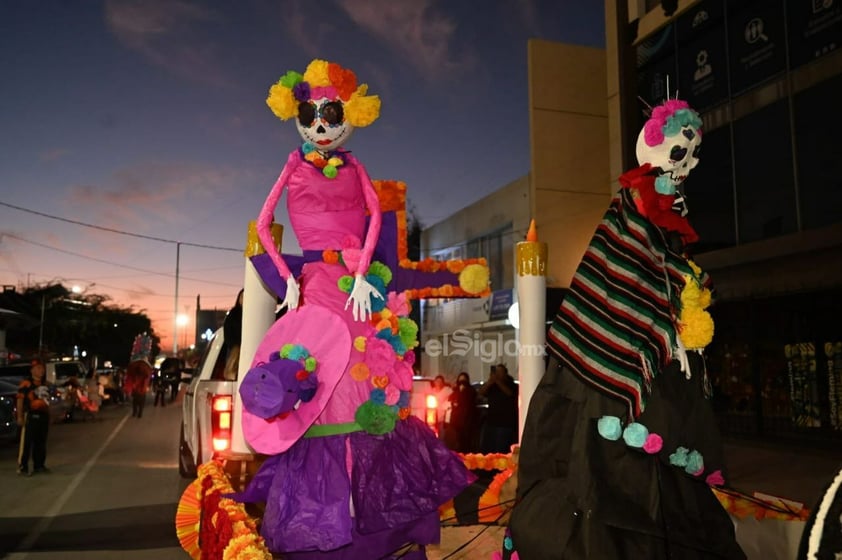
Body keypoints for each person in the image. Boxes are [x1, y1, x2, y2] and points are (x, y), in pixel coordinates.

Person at [231, 59, 473, 558]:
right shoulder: (293, 165)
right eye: (310, 112)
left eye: (330, 111)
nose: (320, 123)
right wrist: (290, 280)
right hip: (317, 287)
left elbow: (375, 217)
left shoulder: (357, 166)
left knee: (372, 379)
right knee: (324, 383)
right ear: (297, 113)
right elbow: (261, 223)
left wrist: (363, 272)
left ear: (349, 113)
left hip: (359, 292)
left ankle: (382, 528)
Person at [500, 99, 744, 559]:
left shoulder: (663, 216)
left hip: (662, 370)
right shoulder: (635, 205)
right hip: (619, 371)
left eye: (692, 155)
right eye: (678, 153)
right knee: (603, 478)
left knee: (665, 480)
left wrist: (679, 293)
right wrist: (673, 288)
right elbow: (623, 275)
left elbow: (660, 273)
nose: (686, 164)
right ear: (651, 150)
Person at [17, 358, 51, 476]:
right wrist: (20, 416)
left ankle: (39, 465)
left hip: (43, 417)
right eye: (38, 368)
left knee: (41, 442)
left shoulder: (45, 384)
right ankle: (23, 466)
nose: (41, 371)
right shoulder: (26, 383)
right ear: (32, 370)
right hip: (31, 416)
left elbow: (47, 401)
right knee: (26, 443)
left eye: (42, 368)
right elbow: (20, 400)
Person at [479, 364, 518, 454]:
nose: (498, 374)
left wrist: (498, 381)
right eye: (496, 372)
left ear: (505, 373)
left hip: (504, 424)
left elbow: (509, 393)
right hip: (491, 422)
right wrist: (490, 382)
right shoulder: (492, 385)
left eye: (500, 372)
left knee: (500, 450)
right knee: (488, 450)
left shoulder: (511, 384)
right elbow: (481, 393)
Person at [447, 372, 478, 452]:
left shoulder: (470, 391)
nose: (462, 382)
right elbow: (451, 400)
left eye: (464, 380)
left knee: (466, 442)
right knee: (458, 441)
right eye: (460, 380)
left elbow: (469, 403)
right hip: (456, 421)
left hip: (467, 421)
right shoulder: (455, 390)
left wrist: (462, 392)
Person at [222, 289, 243, 381]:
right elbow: (227, 333)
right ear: (239, 298)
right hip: (235, 350)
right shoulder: (233, 314)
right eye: (242, 296)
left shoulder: (257, 315)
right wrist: (235, 346)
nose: (244, 299)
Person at [431, 375, 453, 440]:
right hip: (432, 418)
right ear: (434, 382)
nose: (438, 383)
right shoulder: (431, 391)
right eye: (437, 381)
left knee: (442, 437)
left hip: (442, 418)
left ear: (443, 383)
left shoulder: (447, 390)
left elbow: (454, 394)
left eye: (440, 381)